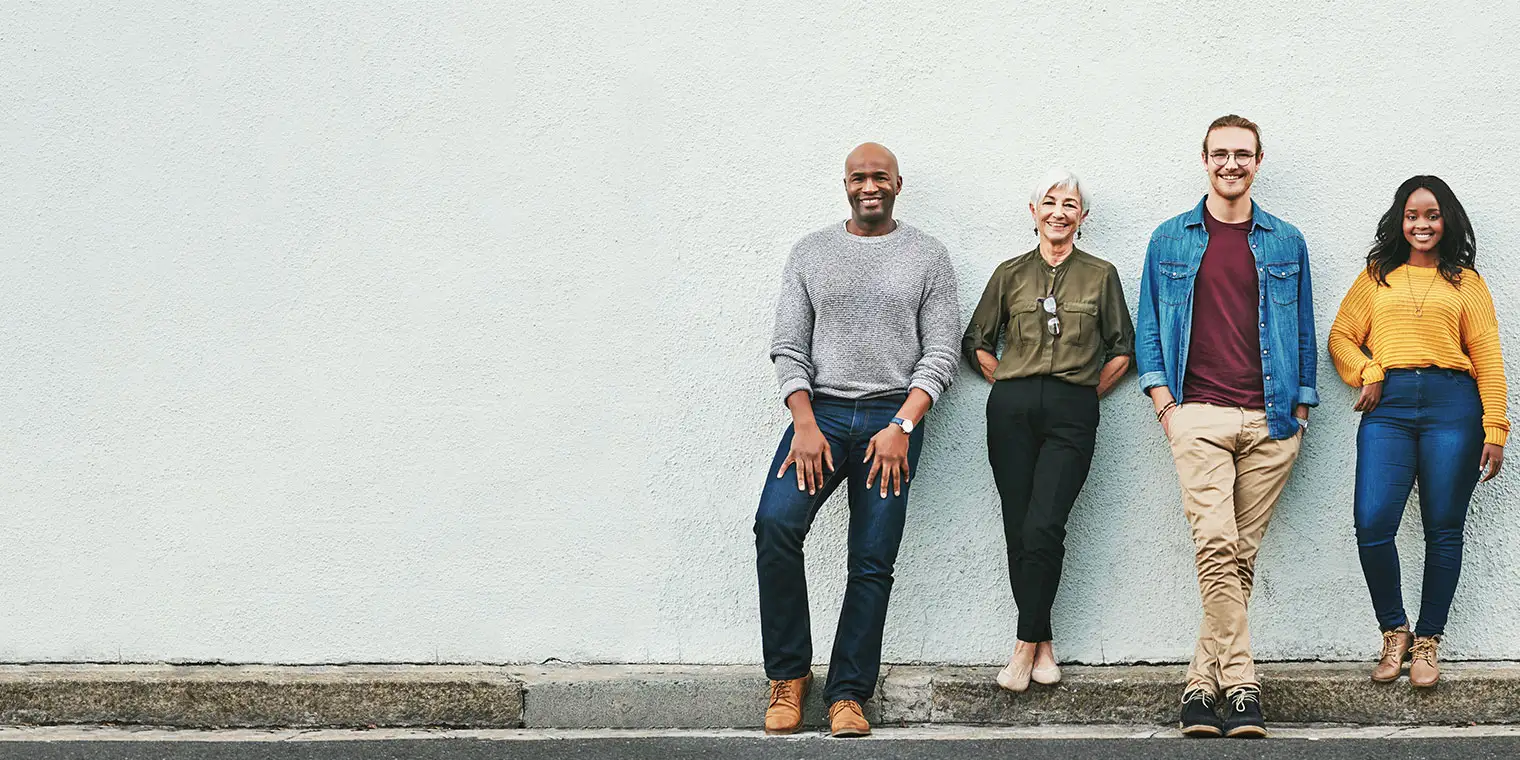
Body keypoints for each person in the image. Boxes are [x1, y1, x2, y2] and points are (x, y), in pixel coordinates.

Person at [755, 142, 961, 738]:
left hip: (890, 421)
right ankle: (788, 679)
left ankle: (848, 693)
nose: (868, 186)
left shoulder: (927, 256)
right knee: (776, 526)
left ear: (899, 183)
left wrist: (903, 425)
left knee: (872, 560)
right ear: (845, 184)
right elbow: (789, 346)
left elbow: (941, 352)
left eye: (879, 177)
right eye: (857, 177)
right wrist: (803, 422)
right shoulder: (811, 252)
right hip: (817, 416)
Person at [1135, 115, 1318, 738]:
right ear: (1204, 159)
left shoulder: (1287, 241)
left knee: (1237, 558)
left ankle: (1198, 686)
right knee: (1215, 545)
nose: (1231, 164)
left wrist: (1299, 410)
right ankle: (1242, 684)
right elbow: (1150, 332)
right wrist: (1167, 406)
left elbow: (1302, 332)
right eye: (1221, 154)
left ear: (1259, 161)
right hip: (1198, 414)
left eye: (1243, 154)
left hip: (1271, 419)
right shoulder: (1169, 240)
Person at [1327, 175, 1507, 688]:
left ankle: (1429, 640)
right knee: (1372, 521)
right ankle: (1394, 629)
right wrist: (1368, 370)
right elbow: (1341, 337)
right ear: (1399, 221)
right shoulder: (1376, 276)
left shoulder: (1466, 283)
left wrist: (1494, 425)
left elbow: (1488, 358)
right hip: (1390, 405)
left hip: (1454, 405)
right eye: (1412, 215)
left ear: (1446, 220)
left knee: (1444, 526)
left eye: (1431, 215)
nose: (1422, 224)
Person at [962, 169, 1133, 693]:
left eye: (1071, 204)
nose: (1060, 211)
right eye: (1050, 202)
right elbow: (977, 341)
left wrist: (1082, 393)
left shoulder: (1101, 275)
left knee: (1044, 525)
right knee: (1019, 525)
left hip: (1071, 410)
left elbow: (1122, 348)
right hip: (1011, 408)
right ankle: (1044, 642)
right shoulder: (1009, 274)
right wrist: (1007, 381)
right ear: (1033, 211)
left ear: (1083, 216)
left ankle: (1021, 646)